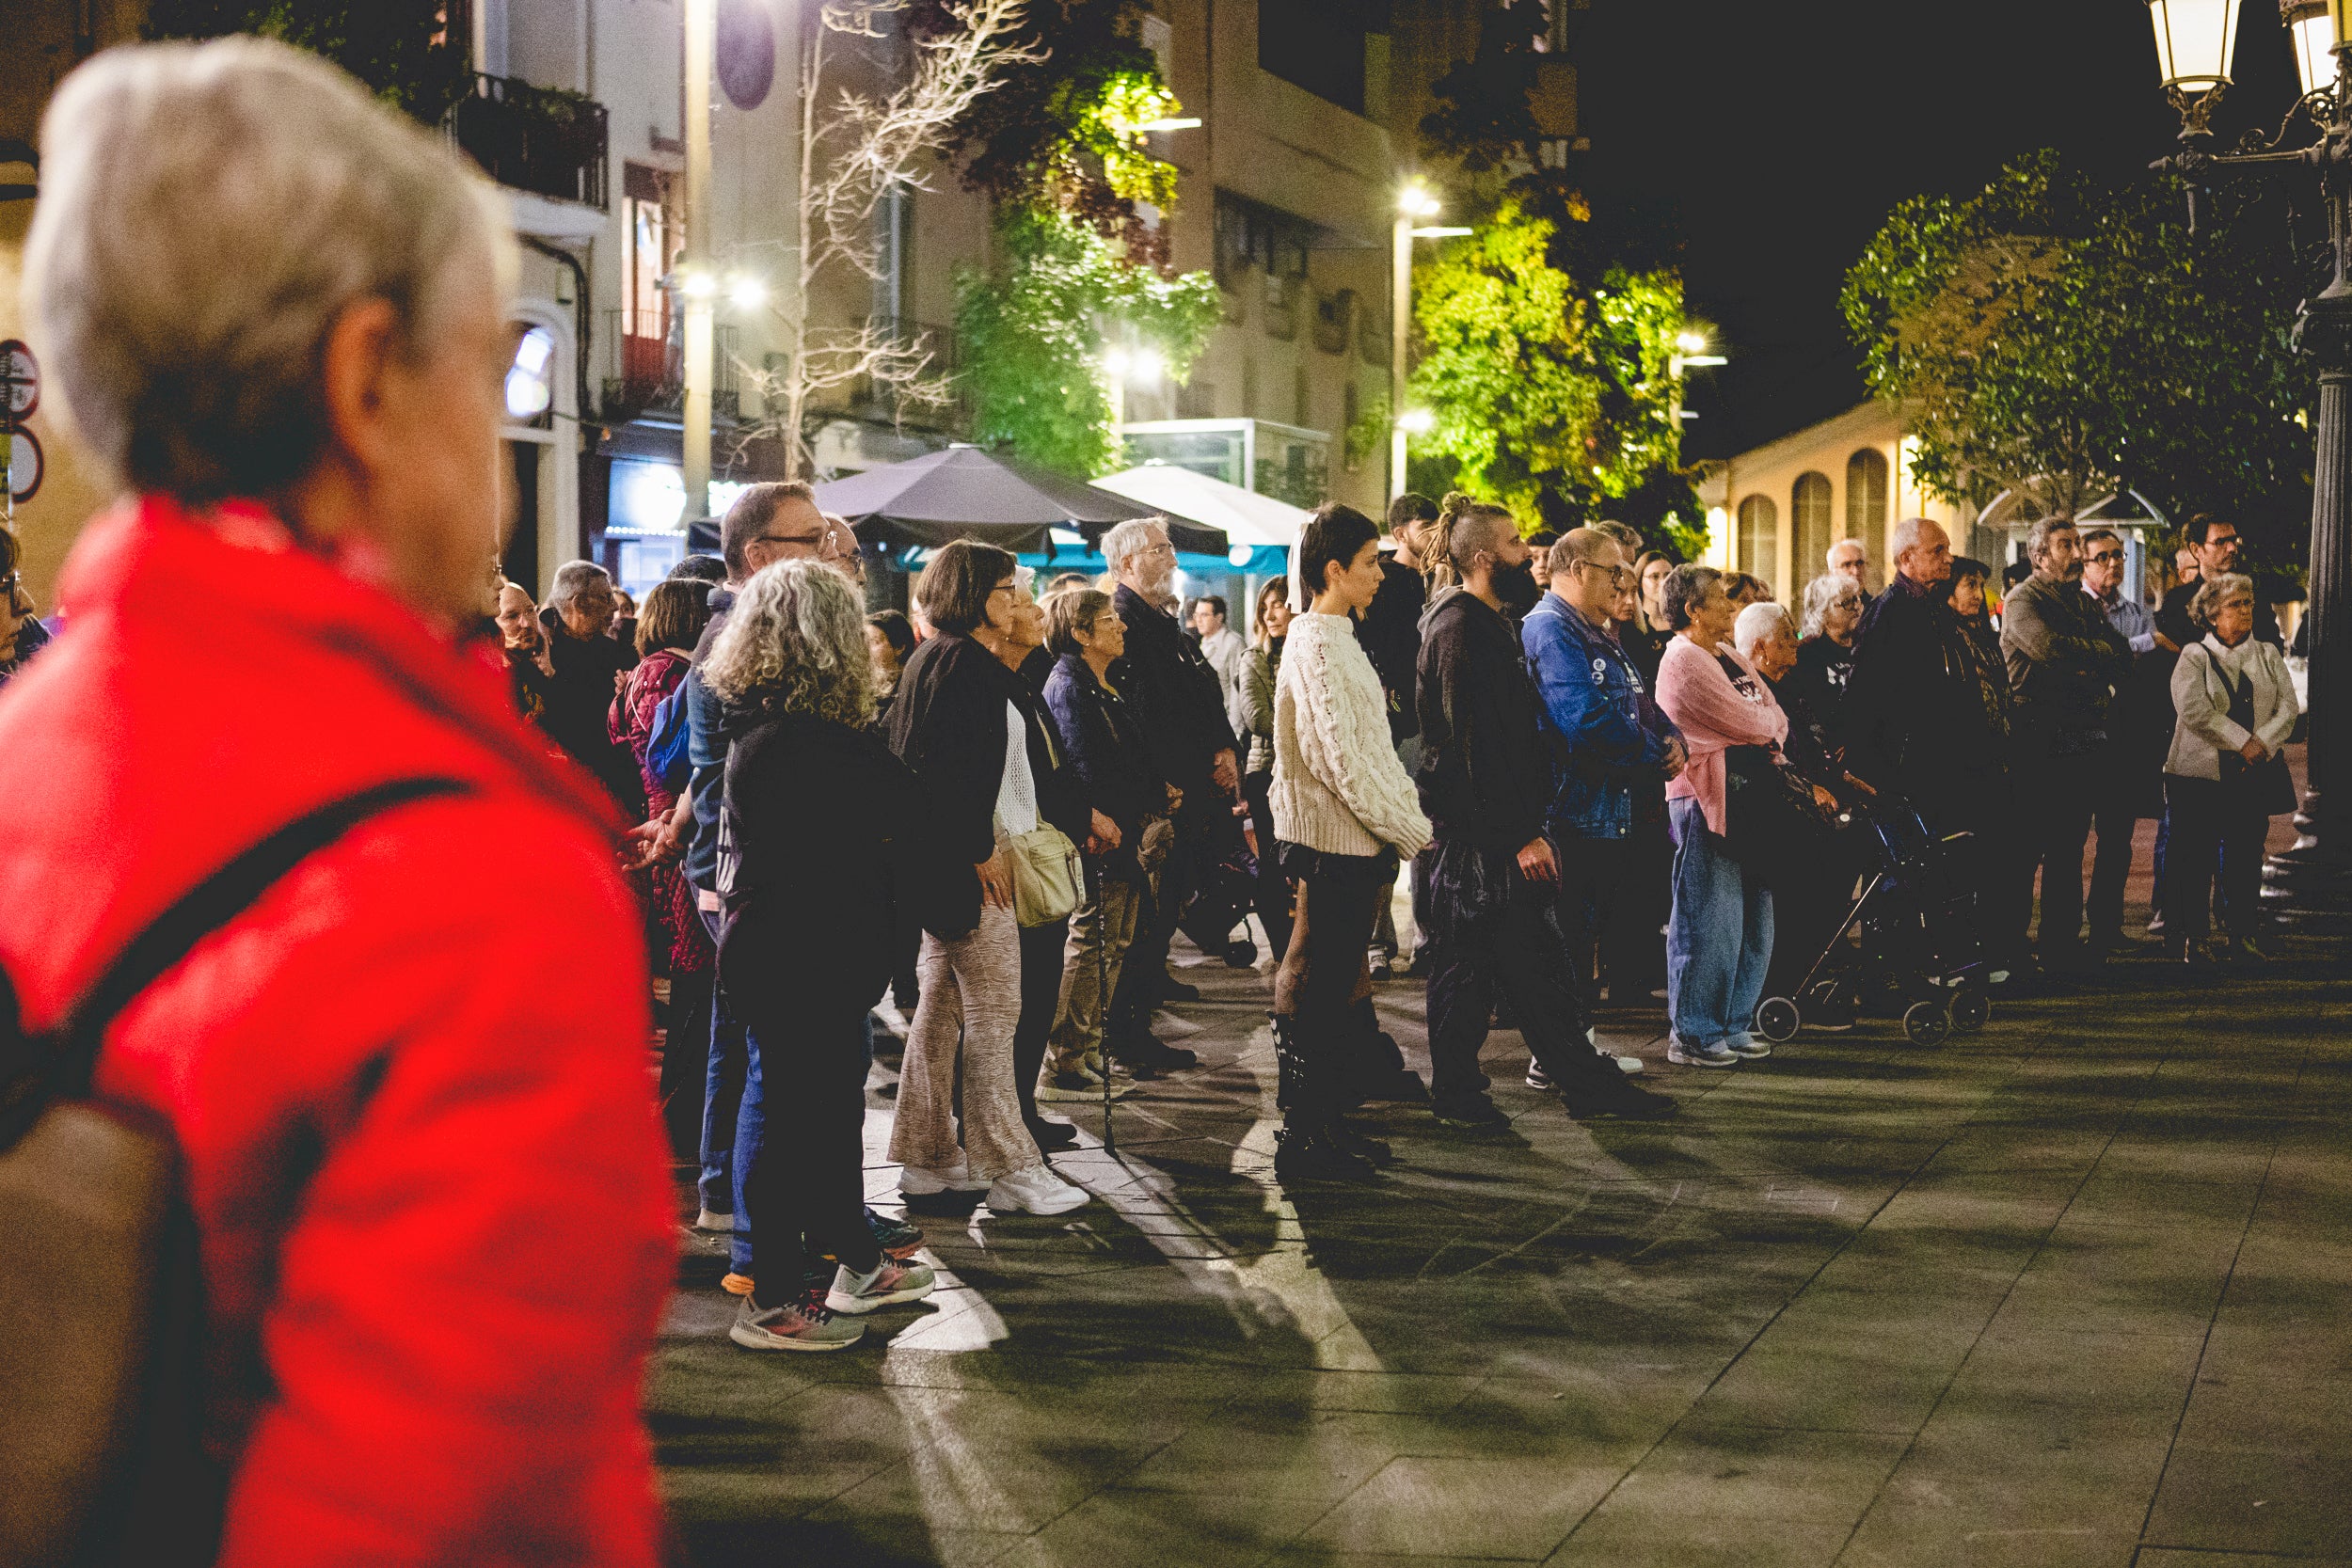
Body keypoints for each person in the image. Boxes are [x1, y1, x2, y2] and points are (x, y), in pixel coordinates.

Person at [8, 38, 671, 1561]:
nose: (497, 461)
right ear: (367, 378)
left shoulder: (31, 749)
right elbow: (464, 1514)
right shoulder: (478, 891)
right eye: (486, 373)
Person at [703, 560, 940, 1348]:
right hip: (799, 955)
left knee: (825, 1114)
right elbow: (908, 816)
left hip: (790, 951)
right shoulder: (807, 742)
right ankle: (771, 1299)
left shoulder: (767, 730)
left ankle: (858, 1262)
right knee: (792, 1118)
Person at [885, 541, 1090, 1217]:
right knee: (997, 1015)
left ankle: (926, 1156)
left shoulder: (940, 659)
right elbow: (943, 769)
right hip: (968, 865)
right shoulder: (961, 663)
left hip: (950, 863)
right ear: (976, 596)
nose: (1016, 598)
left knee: (940, 1014)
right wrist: (979, 846)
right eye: (1006, 588)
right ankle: (1008, 1165)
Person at [1268, 504, 1434, 1180]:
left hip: (1353, 837)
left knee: (1336, 982)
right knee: (1320, 980)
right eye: (1370, 562)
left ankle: (1324, 1124)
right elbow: (1341, 755)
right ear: (1332, 570)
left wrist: (1397, 822)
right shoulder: (1316, 640)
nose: (1380, 574)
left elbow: (1370, 747)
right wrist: (1411, 828)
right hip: (1332, 837)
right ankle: (1306, 1135)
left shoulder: (1337, 634)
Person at [1524, 529, 1686, 1039]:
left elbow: (1639, 700)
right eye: (1612, 570)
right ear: (1576, 570)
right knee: (1569, 938)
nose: (1623, 581)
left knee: (1581, 936)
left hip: (1603, 808)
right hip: (1573, 810)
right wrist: (1655, 751)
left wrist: (1672, 734)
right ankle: (1563, 1056)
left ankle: (1575, 1049)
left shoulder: (1595, 629)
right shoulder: (1552, 629)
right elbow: (1583, 718)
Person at [1097, 516, 1236, 1070]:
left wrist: (1222, 749)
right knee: (1143, 924)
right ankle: (1126, 1034)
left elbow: (1200, 694)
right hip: (1162, 797)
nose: (1173, 559)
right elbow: (1143, 717)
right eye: (1162, 550)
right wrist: (1165, 782)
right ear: (1129, 563)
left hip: (1184, 791)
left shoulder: (1159, 623)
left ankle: (1136, 1021)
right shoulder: (1124, 622)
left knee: (1159, 918)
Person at [1846, 519, 2018, 966]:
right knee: (1899, 874)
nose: (1947, 559)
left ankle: (1928, 963)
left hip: (1939, 767)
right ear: (1907, 559)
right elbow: (1865, 697)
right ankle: (1892, 971)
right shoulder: (1891, 611)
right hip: (1906, 770)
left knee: (1937, 868)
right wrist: (1879, 772)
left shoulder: (1930, 608)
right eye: (1937, 551)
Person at [1654, 566, 1788, 1068]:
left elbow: (1775, 712)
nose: (1732, 608)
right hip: (1704, 797)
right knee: (1710, 919)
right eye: (1720, 601)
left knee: (1754, 917)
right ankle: (1694, 1031)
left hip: (1750, 797)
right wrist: (1765, 728)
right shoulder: (1684, 659)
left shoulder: (1727, 654)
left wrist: (1766, 728)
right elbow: (1750, 720)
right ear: (1693, 610)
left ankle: (1734, 1021)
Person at [989, 571, 1102, 1155]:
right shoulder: (998, 686)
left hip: (1039, 846)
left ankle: (1021, 1107)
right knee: (1021, 998)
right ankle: (1008, 1115)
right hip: (1013, 856)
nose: (1040, 616)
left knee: (1036, 994)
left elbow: (1051, 769)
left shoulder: (1025, 682)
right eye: (1028, 606)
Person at [1041, 589, 1169, 1099]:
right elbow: (1082, 765)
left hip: (1123, 829)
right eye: (1109, 620)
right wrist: (1101, 823)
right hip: (1102, 836)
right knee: (1092, 939)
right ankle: (1068, 1053)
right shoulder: (1069, 686)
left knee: (1111, 944)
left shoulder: (1099, 684)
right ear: (1081, 634)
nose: (1122, 626)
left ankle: (1089, 1044)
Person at [611, 579, 717, 1155]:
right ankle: (680, 1120)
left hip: (673, 817)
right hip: (674, 821)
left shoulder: (650, 671)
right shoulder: (666, 674)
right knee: (693, 969)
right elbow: (676, 757)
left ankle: (683, 1116)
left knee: (693, 972)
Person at [2001, 517, 2132, 975]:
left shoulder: (2081, 602)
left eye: (2077, 544)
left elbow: (2120, 653)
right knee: (2025, 848)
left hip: (2081, 739)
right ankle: (2010, 949)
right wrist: (2091, 657)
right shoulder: (2022, 600)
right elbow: (2049, 650)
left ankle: (2058, 947)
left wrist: (2088, 660)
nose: (2077, 553)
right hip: (2035, 739)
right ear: (2039, 557)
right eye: (2065, 545)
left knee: (2068, 847)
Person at [2162, 572, 2299, 964]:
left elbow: (2287, 708)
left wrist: (2263, 744)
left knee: (2244, 857)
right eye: (2236, 604)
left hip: (2249, 776)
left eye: (2249, 603)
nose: (2246, 610)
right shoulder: (2194, 656)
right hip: (2198, 777)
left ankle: (2242, 935)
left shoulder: (2267, 654)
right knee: (2196, 857)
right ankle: (2195, 939)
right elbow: (2194, 711)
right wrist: (2245, 742)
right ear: (2211, 614)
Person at [1746, 601, 1865, 1027]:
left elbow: (1809, 745)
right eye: (1786, 643)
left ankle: (1803, 982)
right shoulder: (1752, 689)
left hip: (1811, 801)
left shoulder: (1788, 685)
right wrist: (1811, 785)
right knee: (1802, 898)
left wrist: (1838, 777)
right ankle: (1785, 990)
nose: (1795, 652)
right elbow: (1772, 756)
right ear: (1760, 649)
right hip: (1781, 814)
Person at [1360, 492, 1437, 975]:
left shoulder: (1440, 580)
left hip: (1431, 721)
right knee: (1387, 829)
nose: (1433, 537)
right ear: (1403, 531)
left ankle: (1426, 939)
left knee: (1430, 830)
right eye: (1425, 527)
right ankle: (1376, 941)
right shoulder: (1384, 580)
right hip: (1396, 719)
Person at [2081, 529, 2167, 954]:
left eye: (2118, 555)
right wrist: (2139, 646)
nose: (2113, 563)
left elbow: (2135, 671)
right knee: (2065, 842)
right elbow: (2092, 656)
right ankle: (2055, 933)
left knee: (2117, 840)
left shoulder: (2137, 612)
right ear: (2084, 562)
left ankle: (2105, 926)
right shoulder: (2074, 609)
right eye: (2102, 557)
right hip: (2078, 736)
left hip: (2123, 740)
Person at [538, 559, 643, 812]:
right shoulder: (543, 652)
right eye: (606, 598)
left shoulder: (613, 651)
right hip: (565, 793)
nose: (614, 609)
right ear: (579, 604)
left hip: (615, 786)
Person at [1231, 578, 1290, 958]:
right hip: (1266, 772)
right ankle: (1284, 949)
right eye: (1265, 606)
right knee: (1271, 863)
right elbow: (1256, 717)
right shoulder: (1253, 658)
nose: (1270, 614)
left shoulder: (1310, 652)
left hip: (1308, 774)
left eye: (1279, 604)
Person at [2157, 515, 2280, 653]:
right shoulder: (2177, 602)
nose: (2232, 548)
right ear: (2196, 550)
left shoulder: (2254, 595)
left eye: (2234, 540)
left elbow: (2273, 649)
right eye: (2220, 542)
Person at [1793, 573, 1867, 752]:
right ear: (1822, 612)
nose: (1856, 608)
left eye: (1856, 600)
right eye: (1846, 603)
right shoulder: (1807, 654)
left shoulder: (1867, 646)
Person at [494, 578, 556, 726]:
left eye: (530, 610)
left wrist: (549, 672)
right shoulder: (491, 677)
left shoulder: (533, 666)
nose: (527, 623)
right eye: (512, 616)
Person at [1626, 549, 1677, 690]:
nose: (1663, 582)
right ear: (1640, 580)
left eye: (1668, 575)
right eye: (1655, 576)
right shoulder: (1631, 626)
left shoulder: (1682, 622)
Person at [866, 607, 915, 721]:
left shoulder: (908, 688)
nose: (865, 648)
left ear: (899, 648)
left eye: (874, 642)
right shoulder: (865, 684)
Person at [1189, 593, 1247, 688]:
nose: (1198, 620)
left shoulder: (1234, 643)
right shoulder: (1203, 642)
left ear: (1219, 617)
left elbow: (1238, 689)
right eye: (1196, 615)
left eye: (1204, 615)